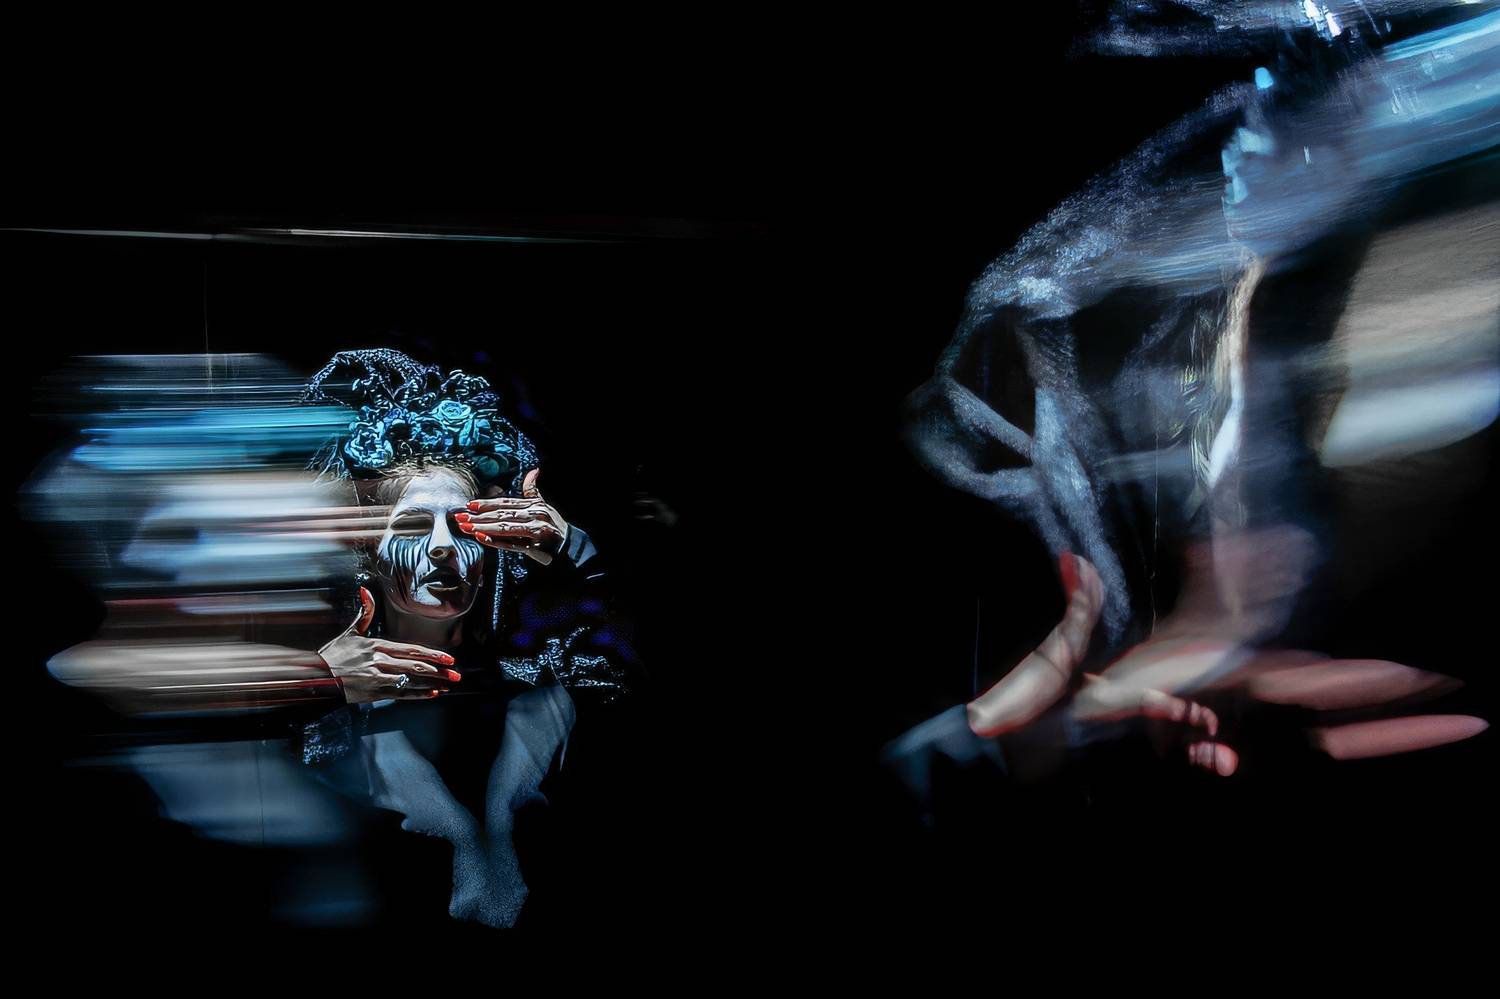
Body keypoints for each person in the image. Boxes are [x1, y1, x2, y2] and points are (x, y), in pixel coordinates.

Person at [293, 348, 640, 928]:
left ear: (491, 544)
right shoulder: (325, 708)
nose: (441, 547)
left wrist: (577, 552)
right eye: (412, 525)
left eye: (462, 525)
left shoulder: (547, 692)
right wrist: (316, 687)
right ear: (368, 551)